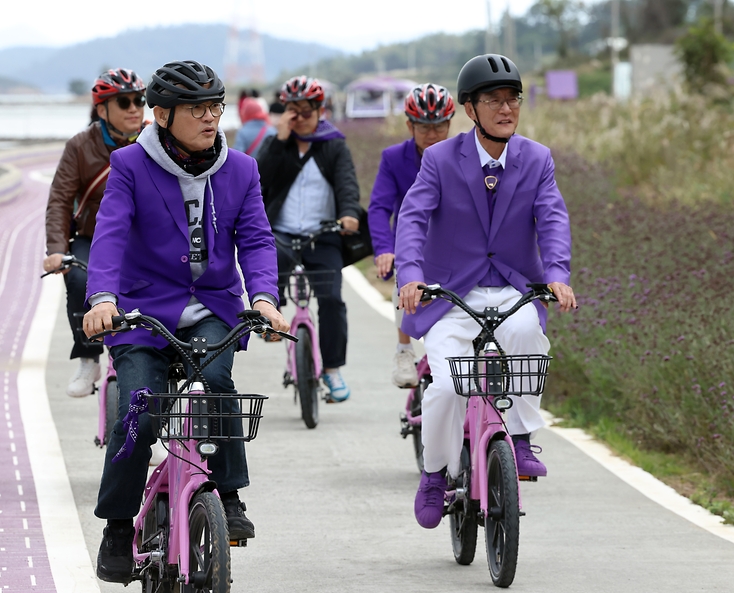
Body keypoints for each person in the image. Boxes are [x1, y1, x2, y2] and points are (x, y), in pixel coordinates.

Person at [82, 60, 290, 582]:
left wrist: (264, 297)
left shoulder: (241, 168)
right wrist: (102, 297)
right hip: (142, 312)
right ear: (162, 114)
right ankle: (115, 524)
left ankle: (229, 492)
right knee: (138, 411)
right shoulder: (130, 165)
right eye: (198, 109)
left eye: (216, 107)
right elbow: (109, 233)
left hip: (214, 307)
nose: (211, 118)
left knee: (217, 381)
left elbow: (259, 240)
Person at [395, 54, 578, 529]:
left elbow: (553, 218)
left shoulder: (536, 158)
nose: (506, 108)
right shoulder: (439, 159)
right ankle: (434, 474)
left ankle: (518, 438)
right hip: (450, 293)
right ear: (470, 109)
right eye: (493, 100)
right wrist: (410, 275)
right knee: (447, 386)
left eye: (512, 99)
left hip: (513, 287)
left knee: (527, 342)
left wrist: (556, 273)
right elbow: (413, 218)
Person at [256, 75, 361, 402]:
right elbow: (256, 179)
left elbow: (347, 185)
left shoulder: (333, 145)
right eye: (292, 110)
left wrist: (349, 214)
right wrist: (278, 138)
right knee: (268, 279)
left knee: (331, 299)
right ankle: (274, 323)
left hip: (323, 234)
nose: (299, 117)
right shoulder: (277, 144)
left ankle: (332, 369)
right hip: (282, 234)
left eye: (306, 110)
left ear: (320, 111)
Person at [43, 68, 147, 397]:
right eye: (124, 102)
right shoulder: (79, 146)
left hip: (145, 240)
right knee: (76, 276)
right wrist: (56, 250)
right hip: (94, 236)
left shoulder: (156, 140)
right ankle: (89, 357)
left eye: (140, 100)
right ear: (102, 109)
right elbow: (60, 200)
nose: (134, 108)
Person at [368, 83, 455, 388]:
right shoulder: (394, 158)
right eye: (423, 127)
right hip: (410, 244)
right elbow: (379, 207)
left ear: (450, 123)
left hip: (454, 244)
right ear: (410, 125)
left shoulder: (462, 156)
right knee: (403, 279)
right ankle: (404, 349)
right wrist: (383, 249)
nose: (432, 134)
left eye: (439, 126)